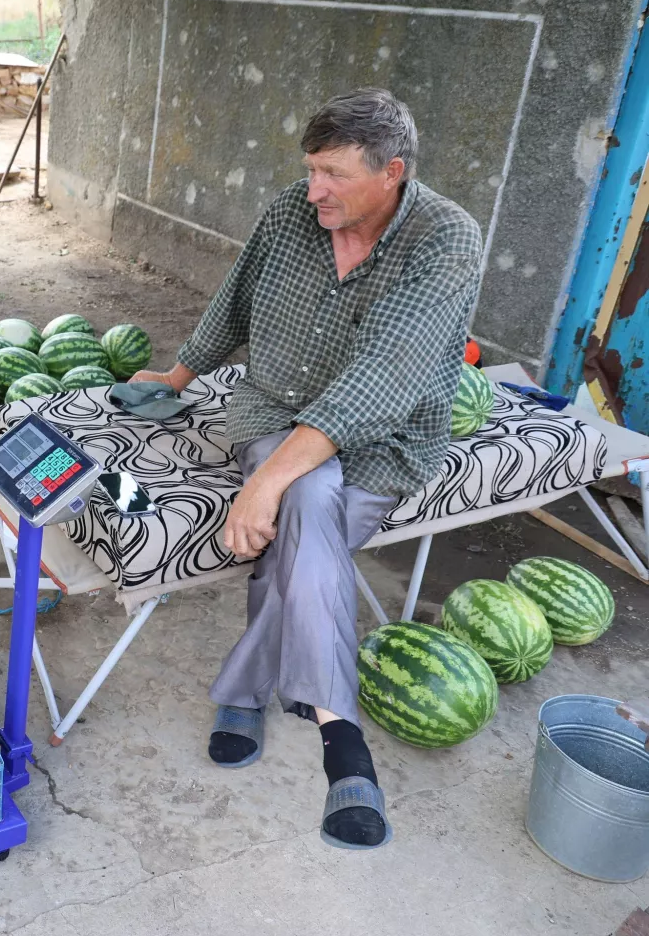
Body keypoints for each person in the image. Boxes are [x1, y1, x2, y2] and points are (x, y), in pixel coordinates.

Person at [133, 87, 482, 850]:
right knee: (311, 495)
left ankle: (245, 692)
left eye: (334, 174)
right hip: (272, 408)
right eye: (310, 169)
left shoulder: (445, 239)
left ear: (392, 172)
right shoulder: (294, 210)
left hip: (383, 437)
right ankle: (341, 744)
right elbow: (235, 296)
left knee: (300, 501)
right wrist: (182, 374)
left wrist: (261, 485)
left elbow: (386, 377)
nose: (314, 188)